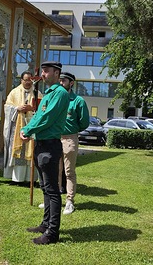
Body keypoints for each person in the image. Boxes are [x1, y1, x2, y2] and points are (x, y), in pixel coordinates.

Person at [20, 61, 69, 245]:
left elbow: (47, 118)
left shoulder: (60, 93)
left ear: (57, 73)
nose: (43, 73)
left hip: (50, 145)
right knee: (45, 188)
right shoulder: (48, 93)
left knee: (52, 190)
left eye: (46, 71)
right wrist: (29, 129)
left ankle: (52, 233)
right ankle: (46, 224)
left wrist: (28, 130)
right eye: (43, 70)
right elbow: (39, 115)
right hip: (41, 143)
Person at [3, 70, 42, 184]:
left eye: (30, 80)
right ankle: (17, 179)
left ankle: (31, 179)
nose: (28, 82)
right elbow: (7, 106)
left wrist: (32, 109)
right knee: (19, 152)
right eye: (26, 80)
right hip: (17, 127)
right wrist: (17, 108)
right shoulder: (14, 92)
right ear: (21, 80)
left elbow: (42, 109)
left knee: (32, 151)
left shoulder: (37, 93)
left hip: (31, 126)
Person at [59, 72, 89, 215]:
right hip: (54, 137)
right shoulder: (56, 98)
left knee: (69, 171)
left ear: (71, 83)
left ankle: (69, 201)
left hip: (69, 138)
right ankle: (53, 200)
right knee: (55, 171)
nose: (60, 83)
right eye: (59, 80)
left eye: (63, 80)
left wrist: (73, 130)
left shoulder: (78, 101)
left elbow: (84, 122)